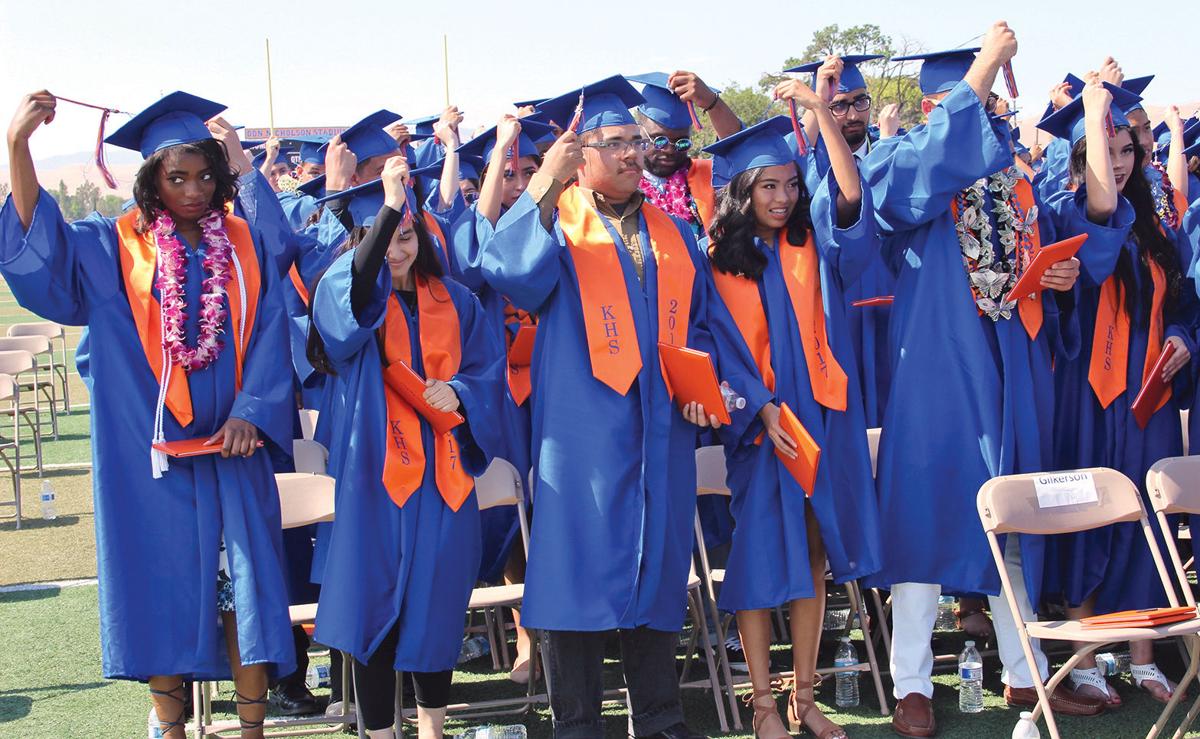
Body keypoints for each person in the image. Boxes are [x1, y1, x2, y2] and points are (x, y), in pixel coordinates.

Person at [3, 90, 297, 738]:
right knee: (161, 597)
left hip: (230, 456)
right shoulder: (116, 251)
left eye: (204, 174)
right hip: (155, 467)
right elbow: (41, 250)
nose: (193, 189)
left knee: (243, 599)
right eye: (177, 176)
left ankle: (251, 732)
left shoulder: (243, 248)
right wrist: (18, 148)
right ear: (152, 180)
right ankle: (169, 729)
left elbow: (276, 326)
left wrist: (253, 410)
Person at [859, 25, 1111, 736]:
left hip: (1011, 368)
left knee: (1016, 514)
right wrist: (988, 62)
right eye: (967, 103)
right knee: (922, 519)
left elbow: (1077, 240)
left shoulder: (1017, 178)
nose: (984, 116)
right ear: (936, 107)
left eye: (989, 106)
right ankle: (912, 682)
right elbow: (930, 166)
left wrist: (1056, 276)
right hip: (935, 376)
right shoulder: (898, 163)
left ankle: (1025, 674)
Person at [482, 75, 721, 739]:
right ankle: (579, 722)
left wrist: (702, 387)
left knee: (657, 566)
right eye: (612, 143)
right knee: (573, 571)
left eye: (633, 141)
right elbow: (506, 270)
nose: (630, 153)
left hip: (662, 427)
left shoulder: (674, 231)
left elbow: (697, 324)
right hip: (583, 428)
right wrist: (539, 185)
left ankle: (660, 718)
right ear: (577, 156)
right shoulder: (557, 223)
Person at [308, 155, 505, 739]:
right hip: (376, 476)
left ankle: (431, 730)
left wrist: (461, 392)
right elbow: (348, 321)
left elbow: (487, 373)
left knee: (438, 604)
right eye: (383, 237)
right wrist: (392, 202)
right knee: (374, 604)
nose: (398, 248)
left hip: (444, 479)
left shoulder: (458, 302)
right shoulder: (342, 291)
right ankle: (377, 731)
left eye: (408, 234)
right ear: (359, 241)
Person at [702, 101, 881, 737]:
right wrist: (760, 405)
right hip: (760, 425)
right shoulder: (716, 259)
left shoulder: (814, 241)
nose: (781, 197)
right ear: (742, 191)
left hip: (821, 418)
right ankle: (763, 707)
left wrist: (819, 114)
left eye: (789, 184)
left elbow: (852, 198)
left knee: (812, 552)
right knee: (755, 558)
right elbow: (712, 342)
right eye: (767, 186)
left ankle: (806, 700)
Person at [1038, 78, 1199, 707]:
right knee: (1089, 509)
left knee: (1150, 523)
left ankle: (1141, 652)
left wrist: (1185, 335)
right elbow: (1093, 246)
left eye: (1130, 148)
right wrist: (1099, 112)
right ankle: (1084, 655)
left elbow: (1185, 302)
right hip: (1091, 393)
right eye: (1107, 150)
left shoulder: (1157, 227)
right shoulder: (1066, 213)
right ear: (1079, 158)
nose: (1122, 160)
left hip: (1148, 396)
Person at [453, 116, 555, 683]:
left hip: (566, 384)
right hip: (510, 393)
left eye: (529, 172)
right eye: (509, 174)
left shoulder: (566, 223)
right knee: (518, 517)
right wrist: (494, 154)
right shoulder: (488, 236)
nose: (519, 183)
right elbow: (468, 270)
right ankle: (526, 641)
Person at [626, 71, 743, 239]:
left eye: (682, 142)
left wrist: (712, 102)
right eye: (659, 140)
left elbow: (739, 150)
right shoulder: (621, 184)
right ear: (638, 131)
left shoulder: (709, 176)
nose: (669, 150)